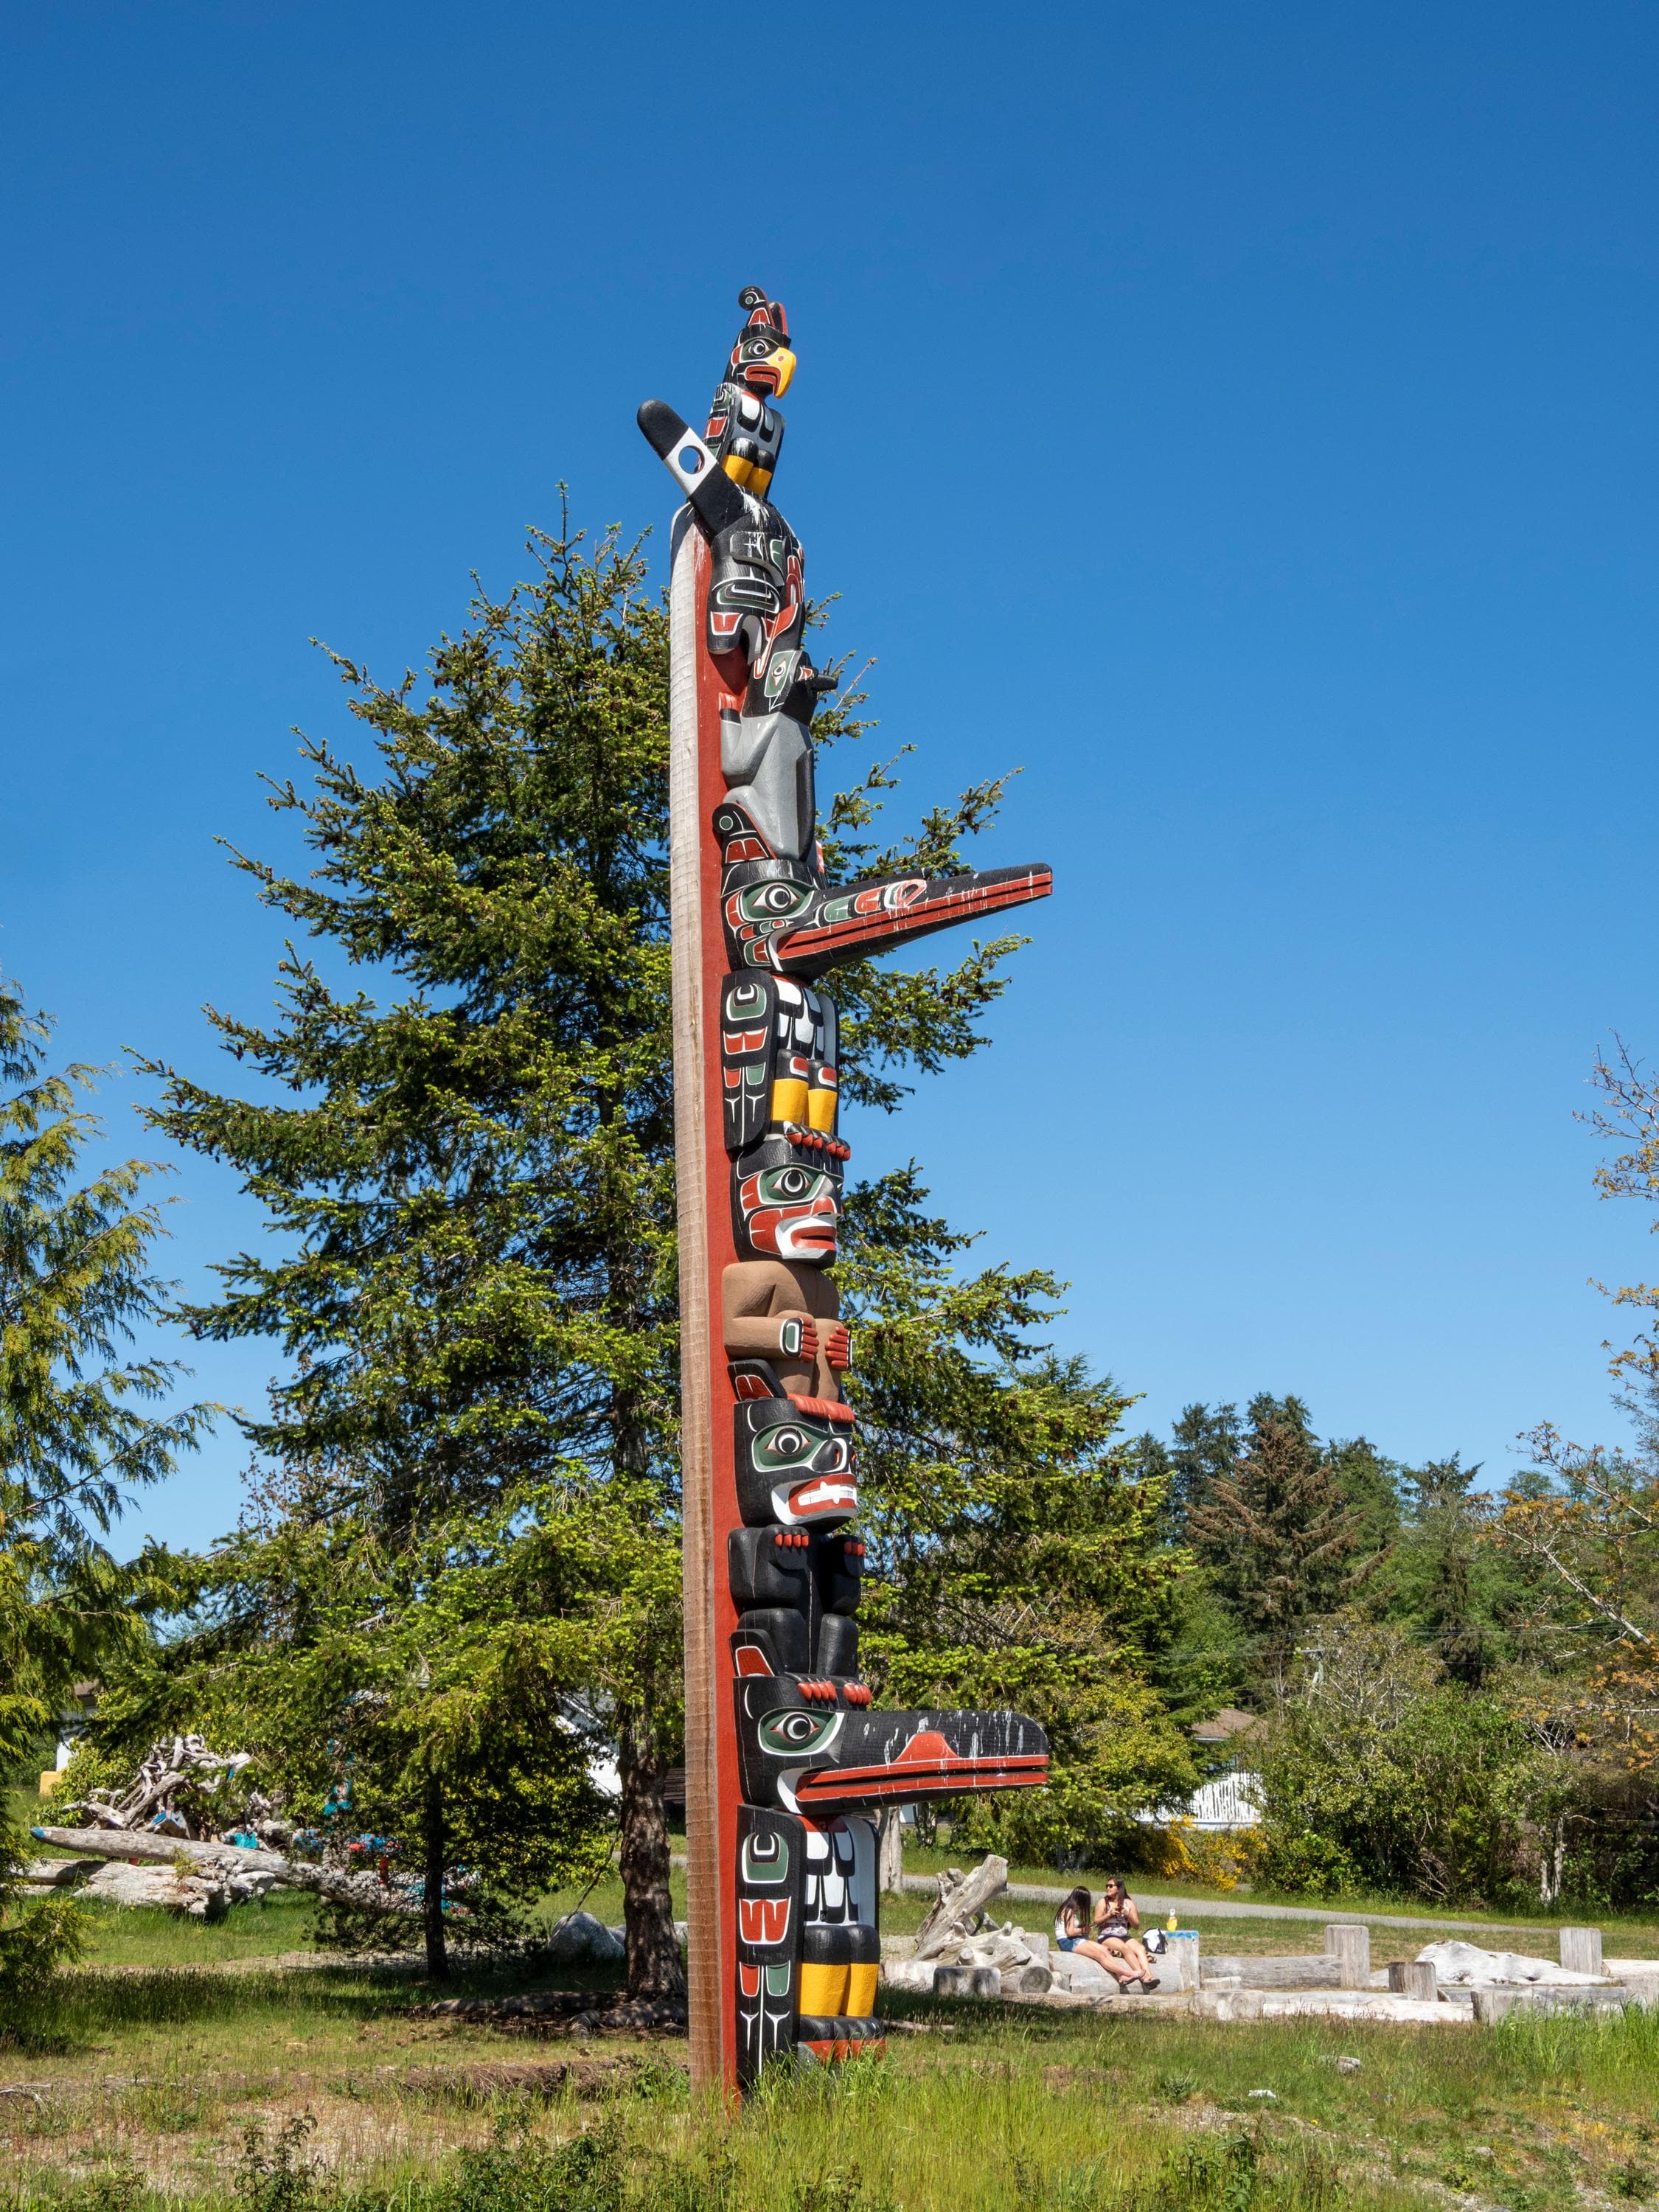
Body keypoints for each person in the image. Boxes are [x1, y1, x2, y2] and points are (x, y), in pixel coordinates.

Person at [1052, 1885, 1147, 1992]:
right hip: (1067, 1941)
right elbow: (1070, 1932)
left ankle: (1120, 1976)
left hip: (1075, 1939)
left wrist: (1083, 1929)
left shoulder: (1070, 1910)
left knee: (1104, 1950)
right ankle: (1127, 1973)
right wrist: (1084, 1930)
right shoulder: (1068, 1910)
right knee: (1100, 1955)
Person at [1091, 1877, 1156, 1987]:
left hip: (1123, 1935)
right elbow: (1096, 1922)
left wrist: (1127, 1914)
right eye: (1107, 1886)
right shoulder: (1103, 1902)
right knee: (1124, 1948)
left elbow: (1136, 1925)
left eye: (1111, 1886)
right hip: (1107, 1936)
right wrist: (1109, 1915)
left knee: (1141, 1949)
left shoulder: (1128, 1903)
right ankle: (1143, 1977)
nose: (1108, 1888)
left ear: (1119, 1888)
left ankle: (1150, 1976)